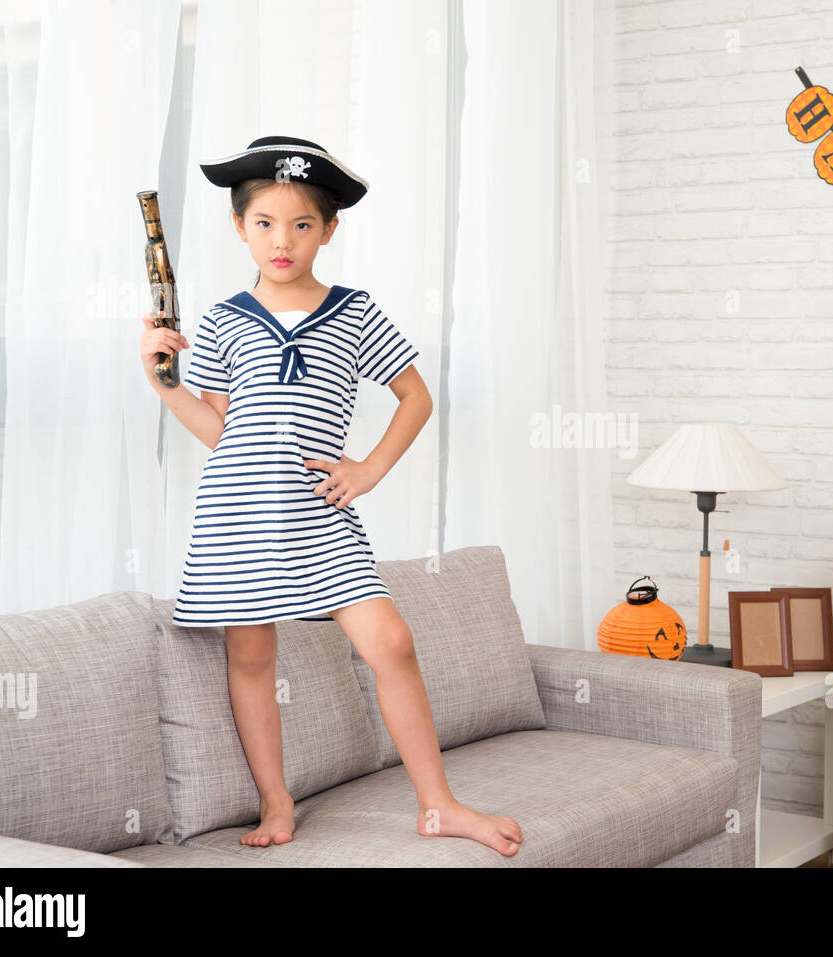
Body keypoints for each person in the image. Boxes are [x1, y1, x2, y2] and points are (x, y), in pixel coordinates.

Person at [138, 135, 522, 857]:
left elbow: (415, 396)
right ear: (239, 227)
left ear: (330, 229)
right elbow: (220, 430)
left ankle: (437, 803)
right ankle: (275, 796)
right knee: (251, 656)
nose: (282, 240)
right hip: (237, 514)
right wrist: (164, 383)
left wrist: (370, 468)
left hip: (320, 513)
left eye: (302, 224)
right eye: (264, 224)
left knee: (392, 641)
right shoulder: (222, 320)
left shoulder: (354, 311)